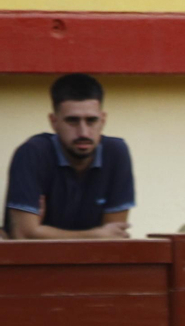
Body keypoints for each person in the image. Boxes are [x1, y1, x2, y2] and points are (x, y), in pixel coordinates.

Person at [5, 73, 135, 240]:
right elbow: (22, 236)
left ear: (103, 120)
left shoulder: (116, 152)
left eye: (91, 121)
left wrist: (40, 232)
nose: (83, 132)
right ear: (54, 122)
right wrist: (95, 235)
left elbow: (113, 238)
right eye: (72, 121)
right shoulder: (32, 153)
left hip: (93, 263)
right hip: (35, 263)